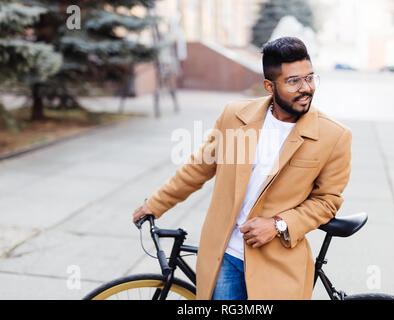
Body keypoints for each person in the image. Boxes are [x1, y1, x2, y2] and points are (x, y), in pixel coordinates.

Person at [133, 37, 352, 300]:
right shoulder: (234, 117)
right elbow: (199, 167)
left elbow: (327, 201)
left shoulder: (334, 136)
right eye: (294, 81)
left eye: (310, 78)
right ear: (269, 86)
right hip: (224, 256)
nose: (306, 88)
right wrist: (155, 204)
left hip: (278, 265)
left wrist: (278, 224)